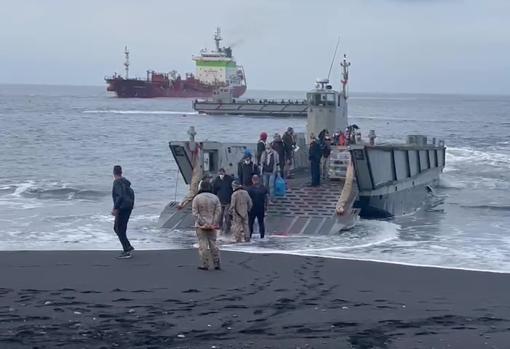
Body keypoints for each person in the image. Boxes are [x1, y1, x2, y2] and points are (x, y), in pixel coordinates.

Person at [191, 180, 222, 270]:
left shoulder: (197, 198)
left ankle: (205, 264)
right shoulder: (215, 198)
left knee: (203, 245)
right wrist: (213, 223)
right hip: (212, 225)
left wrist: (203, 223)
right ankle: (217, 263)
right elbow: (218, 211)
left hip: (201, 226)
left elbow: (195, 213)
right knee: (213, 244)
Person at [111, 165, 135, 259]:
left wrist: (115, 208)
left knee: (118, 228)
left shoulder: (117, 182)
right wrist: (131, 205)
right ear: (121, 172)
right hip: (128, 207)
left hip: (122, 208)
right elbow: (132, 194)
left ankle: (127, 250)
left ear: (114, 172)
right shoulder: (125, 182)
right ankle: (127, 247)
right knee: (120, 228)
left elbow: (120, 196)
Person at [212, 168, 234, 235]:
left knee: (227, 215)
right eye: (220, 173)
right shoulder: (216, 180)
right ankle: (220, 228)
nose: (221, 174)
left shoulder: (229, 179)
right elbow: (214, 190)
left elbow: (232, 189)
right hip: (220, 200)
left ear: (224, 172)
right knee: (220, 215)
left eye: (222, 173)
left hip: (228, 200)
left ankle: (228, 228)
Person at [248, 175, 268, 239]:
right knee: (261, 222)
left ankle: (249, 236)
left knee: (250, 223)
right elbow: (266, 198)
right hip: (261, 208)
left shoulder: (250, 189)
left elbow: (248, 200)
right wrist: (266, 207)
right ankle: (262, 236)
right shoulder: (263, 188)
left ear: (252, 180)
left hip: (252, 208)